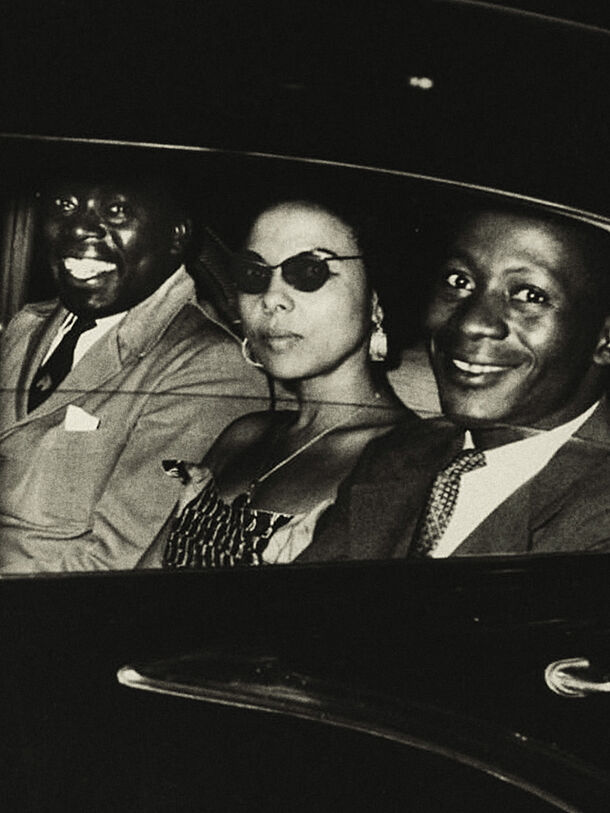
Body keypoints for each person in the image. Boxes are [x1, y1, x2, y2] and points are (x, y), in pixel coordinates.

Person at [298, 203, 610, 562]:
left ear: (605, 339)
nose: (470, 323)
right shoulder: (398, 453)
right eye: (459, 281)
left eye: (529, 295)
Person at [0, 166, 270, 572]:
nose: (80, 229)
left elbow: (115, 564)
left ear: (176, 236)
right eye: (65, 206)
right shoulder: (26, 325)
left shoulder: (210, 366)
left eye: (116, 211)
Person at [138, 196, 416, 568]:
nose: (271, 298)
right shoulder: (244, 435)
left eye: (309, 272)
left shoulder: (405, 461)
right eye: (254, 274)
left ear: (376, 301)